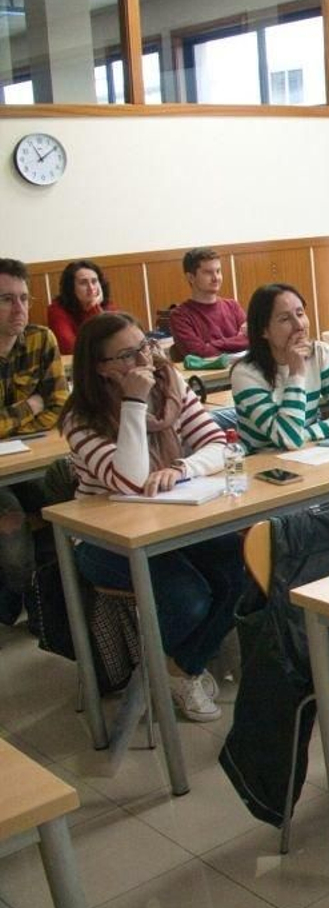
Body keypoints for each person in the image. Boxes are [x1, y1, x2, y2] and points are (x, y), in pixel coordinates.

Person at [60, 312, 243, 722]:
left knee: (245, 567)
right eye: (127, 355)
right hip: (104, 539)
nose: (145, 360)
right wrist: (133, 402)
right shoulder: (80, 418)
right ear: (101, 368)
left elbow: (218, 444)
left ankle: (179, 668)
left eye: (144, 345)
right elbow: (128, 479)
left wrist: (181, 468)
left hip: (172, 520)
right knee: (189, 599)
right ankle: (176, 670)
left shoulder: (171, 384)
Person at [0, 259, 72, 631]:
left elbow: (58, 408)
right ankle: (15, 600)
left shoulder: (41, 339)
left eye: (24, 298)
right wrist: (30, 406)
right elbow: (43, 406)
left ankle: (48, 607)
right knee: (13, 534)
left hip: (31, 458)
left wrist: (11, 421)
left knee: (70, 505)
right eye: (6, 299)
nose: (19, 308)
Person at [230, 283, 329, 452]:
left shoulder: (320, 354)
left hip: (307, 453)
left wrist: (306, 434)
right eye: (285, 319)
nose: (299, 325)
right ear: (263, 331)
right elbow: (288, 438)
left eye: (300, 314)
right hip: (260, 462)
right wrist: (296, 373)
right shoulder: (245, 374)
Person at [169, 247, 247, 359]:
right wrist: (236, 342)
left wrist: (212, 345)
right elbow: (199, 353)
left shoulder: (233, 306)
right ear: (191, 277)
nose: (216, 278)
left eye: (218, 271)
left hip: (241, 368)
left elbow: (253, 340)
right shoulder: (179, 316)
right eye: (208, 273)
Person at [47, 259, 115, 354]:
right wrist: (92, 309)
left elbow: (115, 343)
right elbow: (70, 348)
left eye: (94, 281)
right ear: (71, 288)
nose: (91, 288)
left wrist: (94, 307)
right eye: (83, 283)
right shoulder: (56, 310)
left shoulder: (107, 306)